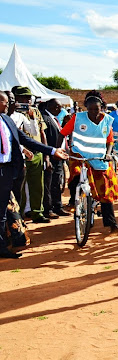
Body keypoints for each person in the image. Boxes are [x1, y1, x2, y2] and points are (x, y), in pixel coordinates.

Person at [0, 92, 67, 257]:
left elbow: (25, 139)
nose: (8, 104)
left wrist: (51, 151)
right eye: (5, 101)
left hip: (7, 170)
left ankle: (2, 248)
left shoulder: (6, 120)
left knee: (2, 211)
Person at [60, 91, 118, 233]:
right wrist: (59, 151)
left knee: (106, 190)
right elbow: (62, 133)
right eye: (91, 109)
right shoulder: (77, 118)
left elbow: (110, 141)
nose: (94, 111)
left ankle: (111, 223)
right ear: (86, 108)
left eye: (97, 108)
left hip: (99, 157)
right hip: (79, 156)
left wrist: (108, 154)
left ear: (102, 107)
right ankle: (74, 201)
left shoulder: (107, 120)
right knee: (75, 178)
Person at [12, 86, 48, 223]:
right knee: (20, 188)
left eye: (29, 97)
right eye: (24, 97)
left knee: (37, 185)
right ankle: (18, 216)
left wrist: (46, 153)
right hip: (20, 154)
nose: (28, 100)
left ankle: (37, 213)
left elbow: (39, 132)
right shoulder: (10, 113)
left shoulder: (35, 111)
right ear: (16, 98)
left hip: (37, 152)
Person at [41, 99, 67, 218]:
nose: (60, 110)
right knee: (50, 183)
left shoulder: (54, 119)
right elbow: (45, 138)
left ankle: (58, 206)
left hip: (59, 155)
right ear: (51, 106)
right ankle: (48, 208)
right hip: (51, 155)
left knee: (57, 182)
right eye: (58, 107)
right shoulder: (45, 118)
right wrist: (48, 155)